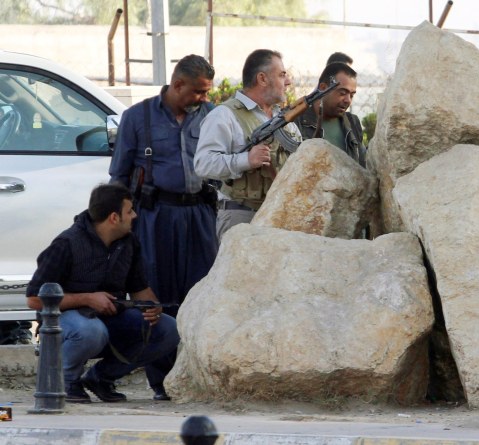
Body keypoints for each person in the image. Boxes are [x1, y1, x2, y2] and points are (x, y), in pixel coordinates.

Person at [109, 54, 217, 400]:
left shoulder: (213, 116)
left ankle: (199, 377)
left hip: (200, 216)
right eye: (198, 91)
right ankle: (162, 382)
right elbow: (119, 178)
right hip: (154, 219)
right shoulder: (136, 117)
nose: (203, 98)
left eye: (206, 92)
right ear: (177, 84)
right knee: (155, 300)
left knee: (202, 295)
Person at [25, 184, 180, 404]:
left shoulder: (129, 243)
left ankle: (100, 378)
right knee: (90, 331)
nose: (135, 216)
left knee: (168, 329)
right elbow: (33, 299)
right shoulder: (67, 243)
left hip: (110, 318)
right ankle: (63, 381)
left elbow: (139, 288)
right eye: (130, 211)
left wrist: (153, 307)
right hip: (68, 322)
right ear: (114, 218)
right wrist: (87, 298)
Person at [194, 49, 301, 239]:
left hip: (279, 215)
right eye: (282, 75)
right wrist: (246, 160)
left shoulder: (283, 118)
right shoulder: (224, 115)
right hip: (242, 217)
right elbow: (202, 164)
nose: (288, 82)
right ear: (262, 78)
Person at [293, 62, 365, 167]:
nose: (348, 100)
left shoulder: (352, 122)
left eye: (352, 95)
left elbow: (362, 166)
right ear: (323, 88)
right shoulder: (296, 122)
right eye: (342, 93)